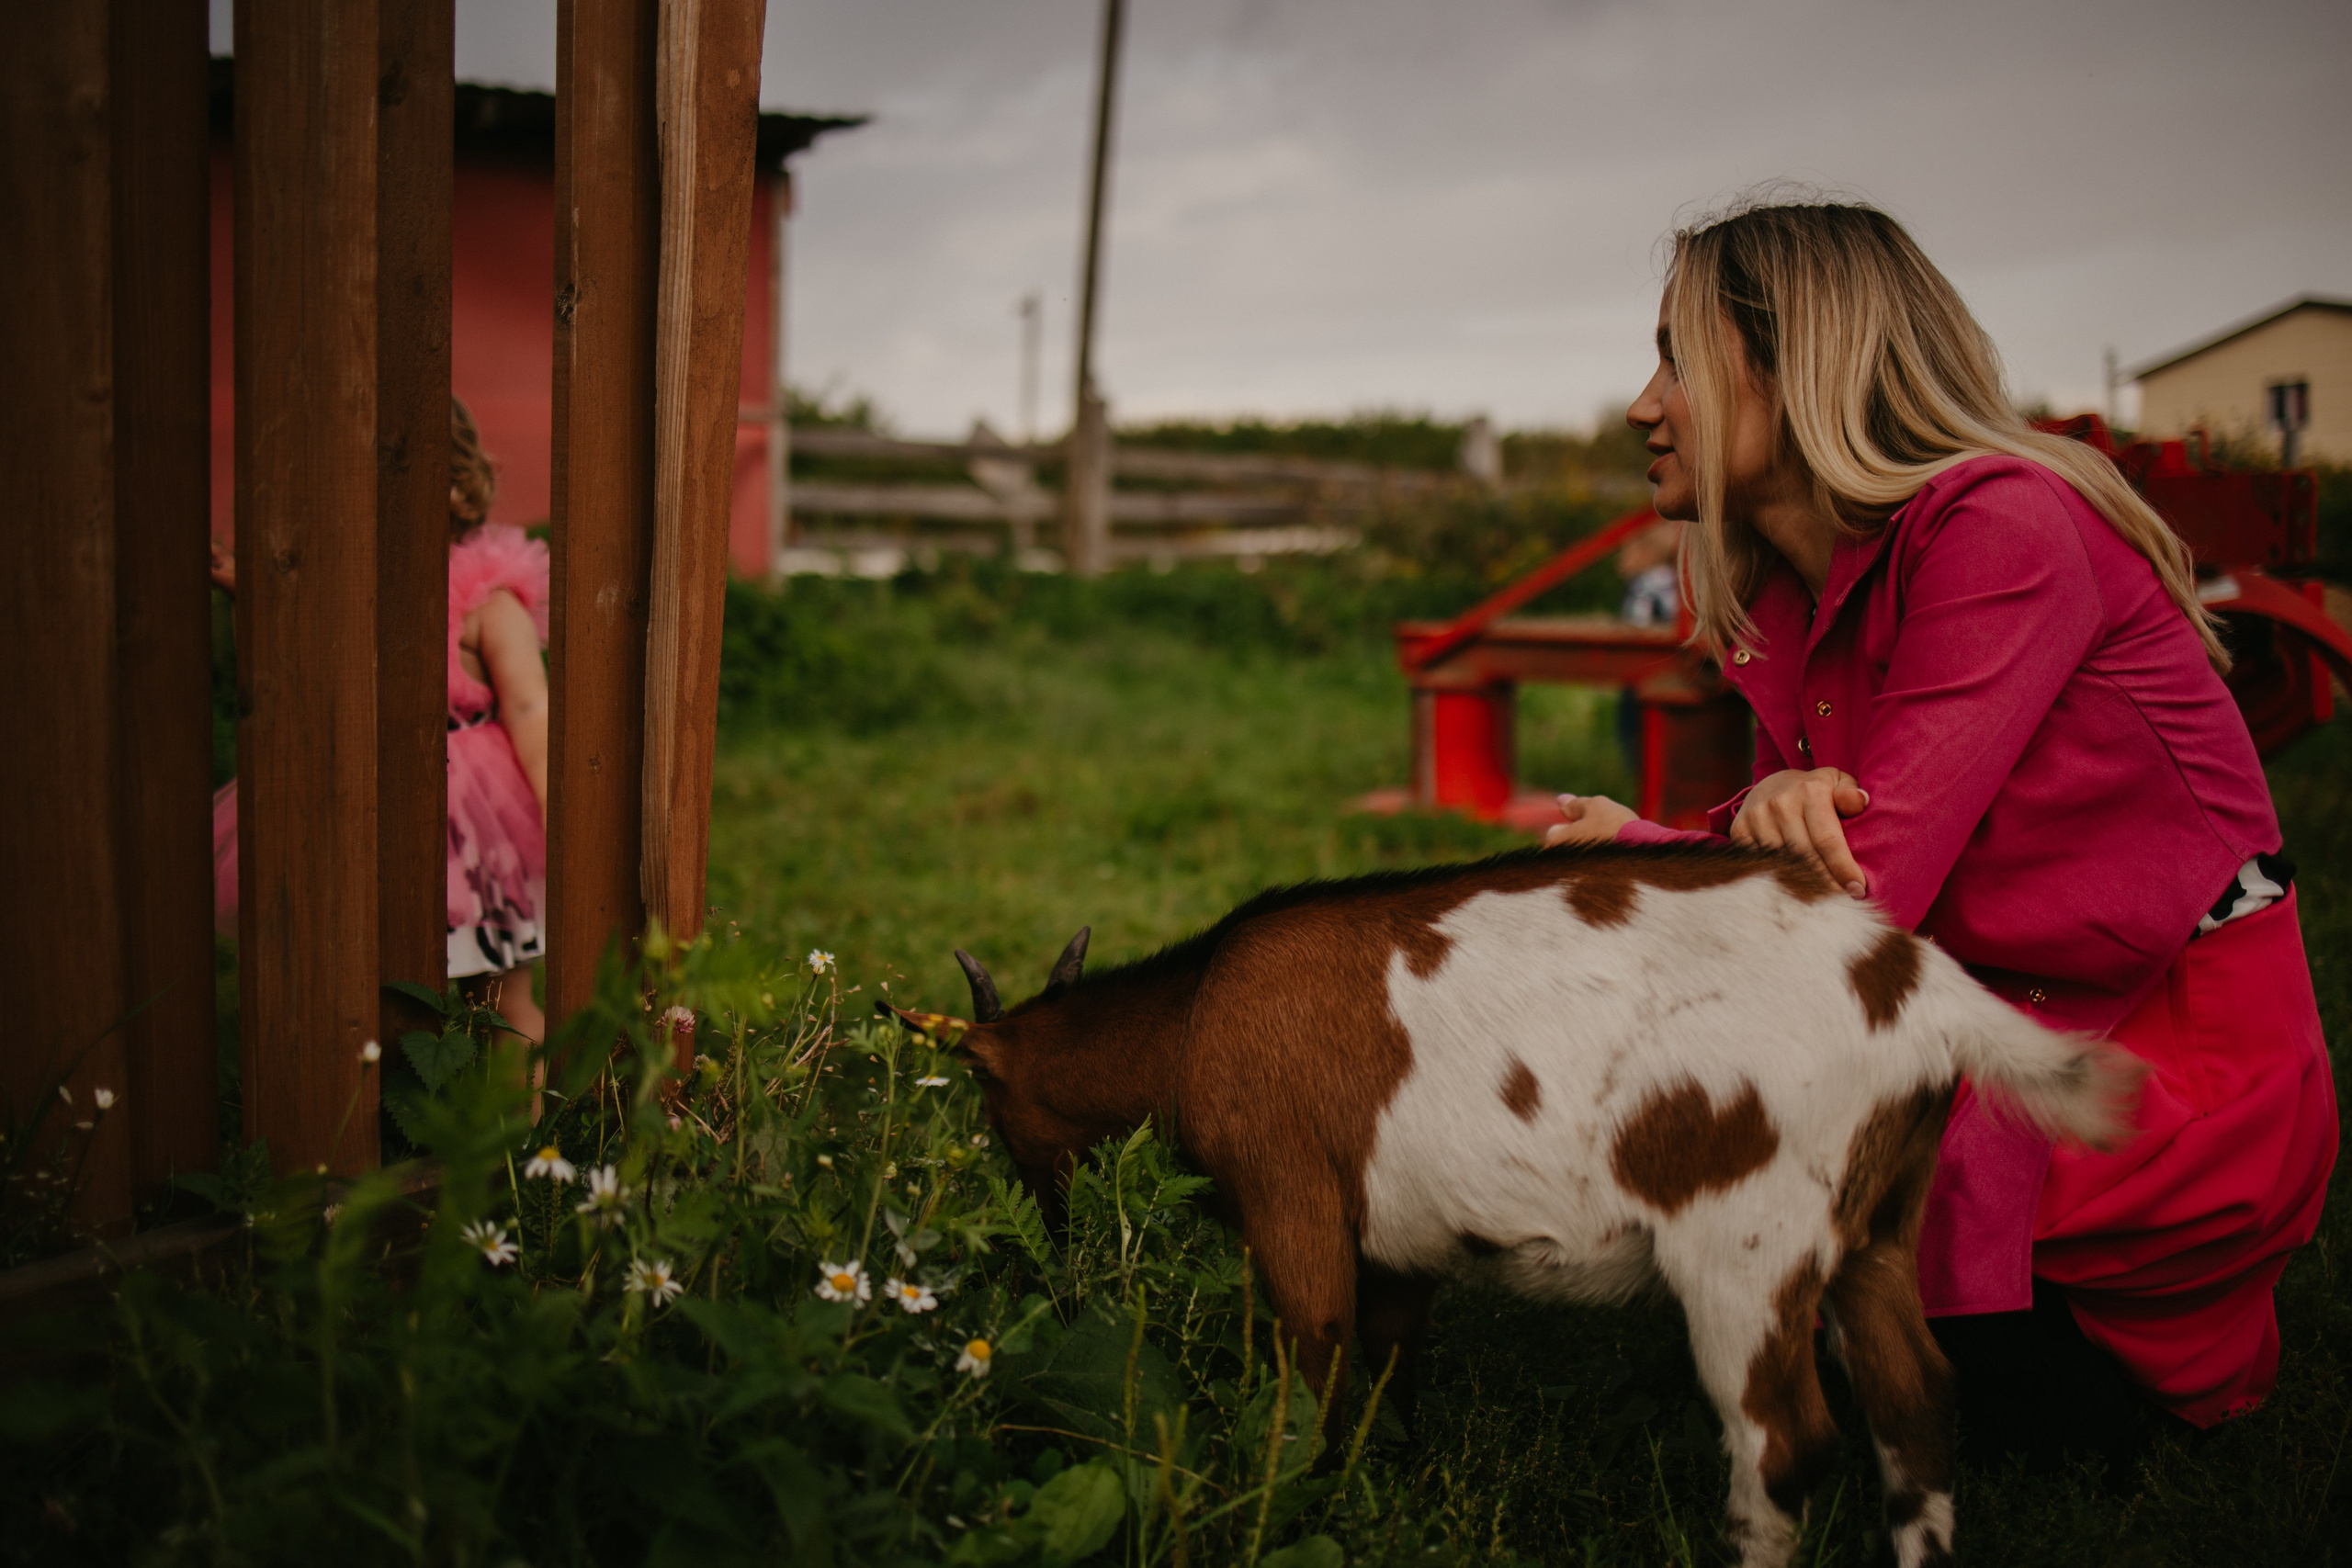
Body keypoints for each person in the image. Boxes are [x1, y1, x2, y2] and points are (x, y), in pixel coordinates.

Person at [1548, 197, 2335, 1461]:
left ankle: (2076, 1382)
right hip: (2018, 1003)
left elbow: (1845, 909)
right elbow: (1804, 892)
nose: (1646, 405)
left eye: (1679, 358)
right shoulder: (1791, 588)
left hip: (2164, 1063)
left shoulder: (2000, 529)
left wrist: (1627, 857)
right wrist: (1742, 833)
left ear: (1798, 365)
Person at [211, 397, 550, 1045]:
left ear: (455, 487)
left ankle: (520, 1132)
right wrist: (250, 597)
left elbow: (530, 708)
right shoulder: (347, 588)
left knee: (500, 997)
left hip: (480, 829)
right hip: (369, 805)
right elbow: (294, 675)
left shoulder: (487, 593)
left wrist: (550, 808)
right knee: (373, 979)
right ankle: (399, 1107)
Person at [1612, 514, 1684, 777]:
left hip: (1644, 675)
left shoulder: (1645, 586)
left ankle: (1644, 781)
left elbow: (1635, 626)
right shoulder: (1675, 579)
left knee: (1635, 733)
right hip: (1672, 668)